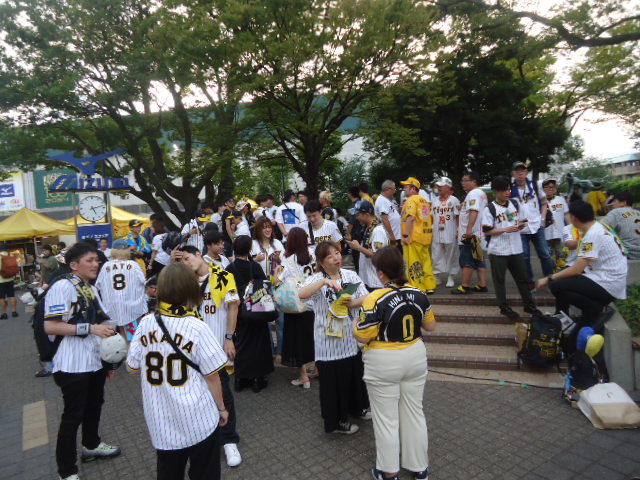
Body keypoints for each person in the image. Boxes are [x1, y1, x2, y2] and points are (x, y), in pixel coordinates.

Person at [126, 262, 228, 480]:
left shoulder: (146, 323)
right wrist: (221, 408)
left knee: (168, 473)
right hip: (199, 418)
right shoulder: (197, 326)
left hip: (161, 422)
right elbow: (212, 377)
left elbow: (132, 367)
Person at [354, 246, 433, 480]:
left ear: (381, 273)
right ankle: (420, 468)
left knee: (386, 419)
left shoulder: (375, 297)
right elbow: (430, 326)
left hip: (384, 360)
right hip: (415, 355)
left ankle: (389, 472)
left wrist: (355, 325)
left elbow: (363, 336)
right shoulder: (419, 292)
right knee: (414, 413)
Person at [44, 242, 121, 480]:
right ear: (74, 264)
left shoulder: (90, 288)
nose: (96, 264)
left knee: (94, 405)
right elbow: (51, 325)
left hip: (94, 360)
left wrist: (110, 361)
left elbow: (103, 321)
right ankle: (66, 470)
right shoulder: (62, 287)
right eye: (90, 260)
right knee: (73, 415)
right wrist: (91, 328)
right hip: (71, 363)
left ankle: (91, 445)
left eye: (97, 260)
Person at [177, 245, 242, 468]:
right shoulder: (185, 281)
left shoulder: (222, 275)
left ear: (198, 254)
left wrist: (229, 337)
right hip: (192, 349)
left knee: (223, 392)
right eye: (182, 261)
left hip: (216, 346)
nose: (186, 264)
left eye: (188, 258)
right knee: (198, 393)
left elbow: (233, 307)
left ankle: (229, 440)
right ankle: (205, 436)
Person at [298, 241, 370, 434]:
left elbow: (366, 296)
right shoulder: (316, 279)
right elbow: (301, 294)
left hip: (350, 338)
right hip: (328, 343)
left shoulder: (349, 275)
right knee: (333, 384)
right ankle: (337, 421)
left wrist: (352, 303)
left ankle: (358, 408)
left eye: (337, 253)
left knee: (354, 377)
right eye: (330, 256)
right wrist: (323, 282)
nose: (336, 258)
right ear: (321, 262)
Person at [537, 201, 627, 331]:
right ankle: (581, 313)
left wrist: (549, 278)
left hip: (608, 284)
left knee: (556, 285)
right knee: (563, 281)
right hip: (611, 280)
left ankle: (594, 308)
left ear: (574, 218)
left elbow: (577, 269)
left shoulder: (592, 234)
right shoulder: (598, 227)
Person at [482, 176, 540, 320]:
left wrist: (520, 225)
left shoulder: (515, 203)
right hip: (498, 250)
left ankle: (529, 305)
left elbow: (523, 220)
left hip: (516, 248)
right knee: (499, 280)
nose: (507, 192)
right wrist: (505, 229)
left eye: (508, 189)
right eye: (503, 190)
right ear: (495, 191)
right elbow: (487, 230)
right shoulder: (490, 208)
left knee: (523, 279)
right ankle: (504, 307)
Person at [226, 236, 277, 392]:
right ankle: (257, 379)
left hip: (238, 312)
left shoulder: (229, 268)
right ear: (249, 249)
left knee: (241, 344)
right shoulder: (254, 266)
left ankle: (240, 379)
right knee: (259, 344)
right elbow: (265, 286)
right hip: (257, 310)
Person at [275, 227, 317, 388]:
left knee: (298, 340)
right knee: (313, 337)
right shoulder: (312, 255)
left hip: (297, 304)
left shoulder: (288, 260)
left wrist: (276, 270)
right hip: (314, 301)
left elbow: (277, 281)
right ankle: (316, 368)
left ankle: (304, 376)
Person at [510, 162, 554, 288]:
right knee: (524, 257)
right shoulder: (510, 189)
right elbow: (507, 209)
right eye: (517, 171)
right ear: (513, 174)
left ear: (526, 172)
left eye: (522, 171)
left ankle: (550, 279)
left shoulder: (535, 185)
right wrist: (514, 222)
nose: (520, 174)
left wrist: (543, 220)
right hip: (521, 229)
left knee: (545, 254)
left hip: (537, 225)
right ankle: (530, 281)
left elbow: (544, 203)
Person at [95, 239, 147, 339]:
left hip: (112, 309)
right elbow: (143, 282)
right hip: (131, 309)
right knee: (132, 339)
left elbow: (97, 286)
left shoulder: (106, 266)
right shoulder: (133, 264)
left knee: (114, 341)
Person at [452, 171, 489, 294]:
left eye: (465, 180)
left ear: (474, 181)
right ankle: (482, 285)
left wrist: (468, 230)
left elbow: (474, 211)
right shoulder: (481, 193)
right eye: (462, 180)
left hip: (470, 234)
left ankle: (465, 286)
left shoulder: (473, 193)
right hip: (478, 234)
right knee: (479, 260)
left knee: (466, 260)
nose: (463, 183)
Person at [400, 177, 436, 294]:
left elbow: (411, 218)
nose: (404, 189)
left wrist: (406, 235)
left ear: (413, 188)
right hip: (425, 236)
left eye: (406, 187)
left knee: (414, 262)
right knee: (426, 262)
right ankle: (429, 285)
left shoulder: (411, 200)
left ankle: (418, 287)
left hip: (414, 237)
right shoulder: (424, 200)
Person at [346, 201, 389, 291]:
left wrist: (358, 247)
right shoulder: (368, 228)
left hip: (376, 283)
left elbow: (376, 254)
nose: (356, 218)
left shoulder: (378, 231)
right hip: (368, 280)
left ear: (367, 215)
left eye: (358, 215)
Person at [431, 177, 460, 288]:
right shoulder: (434, 201)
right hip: (437, 231)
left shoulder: (454, 200)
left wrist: (458, 230)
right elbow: (431, 216)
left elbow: (458, 216)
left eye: (441, 186)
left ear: (448, 187)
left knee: (452, 254)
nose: (438, 188)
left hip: (450, 231)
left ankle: (451, 276)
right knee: (436, 254)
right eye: (438, 186)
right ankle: (436, 276)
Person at [601, 191, 640, 259]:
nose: (613, 204)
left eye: (615, 201)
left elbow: (599, 228)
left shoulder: (616, 212)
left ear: (623, 203)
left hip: (628, 255)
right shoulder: (638, 212)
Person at [542, 179, 569, 270]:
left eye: (552, 187)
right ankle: (551, 274)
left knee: (561, 256)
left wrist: (571, 228)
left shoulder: (561, 199)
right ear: (543, 189)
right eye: (547, 187)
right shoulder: (539, 202)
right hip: (545, 234)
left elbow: (566, 214)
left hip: (559, 233)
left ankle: (561, 274)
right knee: (548, 258)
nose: (550, 189)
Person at [374, 180, 401, 248]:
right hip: (392, 238)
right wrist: (392, 236)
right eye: (394, 189)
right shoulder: (381, 200)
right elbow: (385, 219)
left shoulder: (386, 200)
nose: (394, 191)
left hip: (396, 236)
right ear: (387, 189)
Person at [347, 187, 364, 273]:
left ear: (350, 194)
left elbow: (351, 223)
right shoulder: (361, 203)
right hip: (363, 233)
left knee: (356, 258)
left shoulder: (354, 206)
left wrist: (348, 234)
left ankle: (359, 275)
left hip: (355, 235)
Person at [0, 246, 18, 319]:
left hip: (1, 281)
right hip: (10, 279)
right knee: (12, 295)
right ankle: (14, 312)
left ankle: (4, 313)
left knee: (2, 297)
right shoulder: (11, 256)